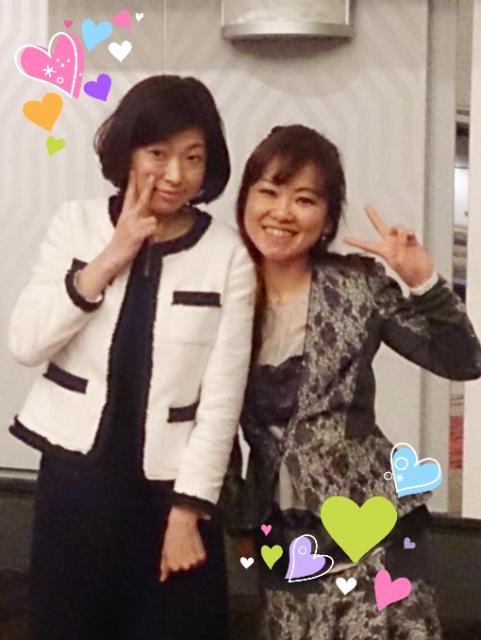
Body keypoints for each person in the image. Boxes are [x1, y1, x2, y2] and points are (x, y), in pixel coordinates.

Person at [8, 75, 255, 640]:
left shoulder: (227, 255)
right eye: (158, 154)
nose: (175, 174)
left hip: (171, 492)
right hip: (77, 483)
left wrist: (188, 511)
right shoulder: (76, 224)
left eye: (193, 157)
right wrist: (110, 257)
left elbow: (222, 402)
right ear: (127, 152)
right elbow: (26, 343)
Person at [227, 124, 481, 639]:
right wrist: (238, 518)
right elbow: (209, 419)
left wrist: (423, 281)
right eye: (269, 192)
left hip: (376, 524)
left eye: (304, 199)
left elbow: (463, 362)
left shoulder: (358, 285)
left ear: (326, 218)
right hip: (283, 532)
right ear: (246, 200)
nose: (282, 212)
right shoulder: (222, 290)